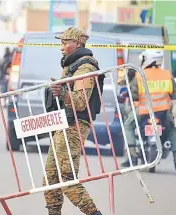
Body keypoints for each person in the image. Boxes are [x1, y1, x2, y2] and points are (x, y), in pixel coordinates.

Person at [44, 27, 103, 215]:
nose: (61, 47)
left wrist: (61, 92)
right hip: (63, 124)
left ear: (77, 44)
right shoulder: (71, 65)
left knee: (66, 179)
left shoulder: (86, 67)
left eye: (65, 43)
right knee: (50, 180)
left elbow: (80, 102)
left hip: (74, 126)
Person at [120, 50, 176, 170]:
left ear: (148, 60)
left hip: (144, 111)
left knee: (128, 125)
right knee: (172, 129)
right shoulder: (167, 75)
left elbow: (134, 95)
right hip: (163, 111)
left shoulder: (140, 75)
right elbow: (174, 95)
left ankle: (132, 156)